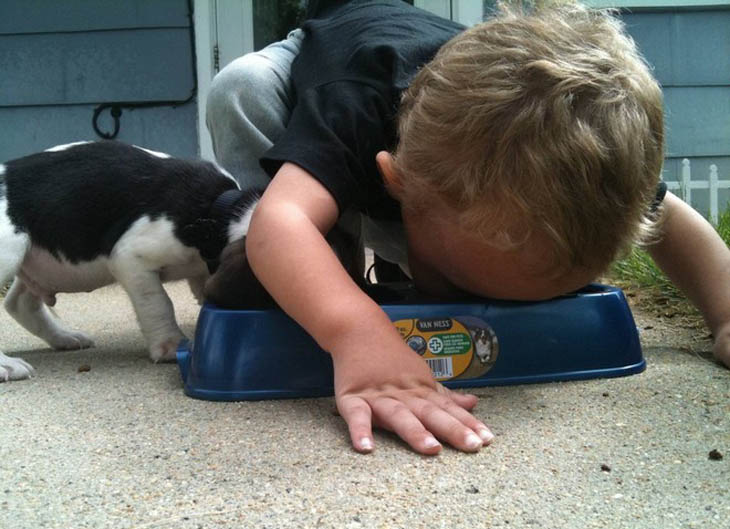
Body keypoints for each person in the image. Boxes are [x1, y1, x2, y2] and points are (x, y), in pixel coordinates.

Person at [204, 0, 730, 455]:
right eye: (458, 285)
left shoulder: (591, 161)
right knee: (240, 87)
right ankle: (300, 264)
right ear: (394, 180)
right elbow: (282, 222)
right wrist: (354, 331)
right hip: (338, 65)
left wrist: (726, 315)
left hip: (451, 111)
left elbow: (674, 220)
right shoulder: (352, 112)